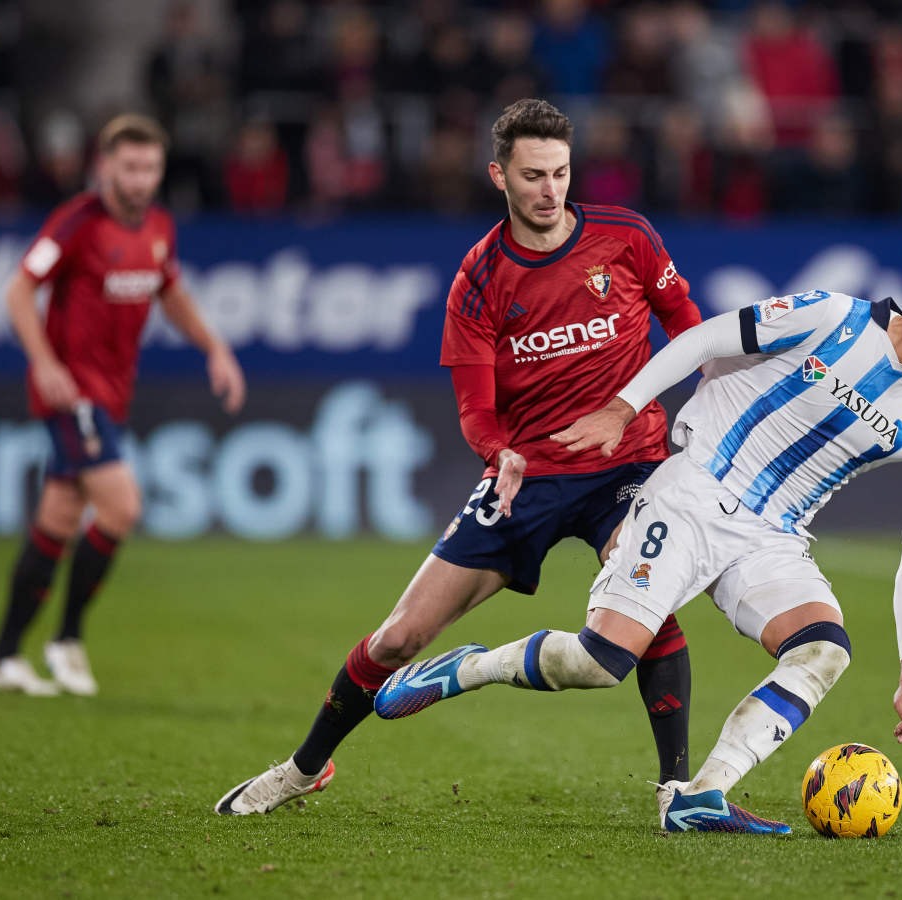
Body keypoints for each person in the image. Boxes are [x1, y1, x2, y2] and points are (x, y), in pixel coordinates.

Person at [374, 263, 902, 834]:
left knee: (824, 651)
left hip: (772, 541)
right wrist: (625, 409)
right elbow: (706, 338)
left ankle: (702, 793)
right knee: (600, 662)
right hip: (695, 489)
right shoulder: (834, 318)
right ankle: (467, 667)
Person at [216, 99, 703, 816]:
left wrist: (696, 409)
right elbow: (477, 409)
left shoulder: (627, 239)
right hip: (525, 478)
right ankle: (302, 768)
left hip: (628, 466)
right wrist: (499, 452)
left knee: (643, 604)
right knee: (400, 635)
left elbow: (688, 328)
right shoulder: (478, 279)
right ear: (498, 175)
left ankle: (677, 790)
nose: (550, 190)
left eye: (561, 173)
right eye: (533, 175)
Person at [0, 114, 246, 696]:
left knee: (56, 518)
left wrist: (213, 348)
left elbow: (169, 290)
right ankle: (66, 639)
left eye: (150, 167)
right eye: (129, 167)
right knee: (122, 506)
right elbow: (18, 287)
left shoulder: (158, 226)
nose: (140, 178)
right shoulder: (78, 222)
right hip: (71, 392)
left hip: (111, 395)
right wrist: (46, 364)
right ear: (105, 166)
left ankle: (2, 657)